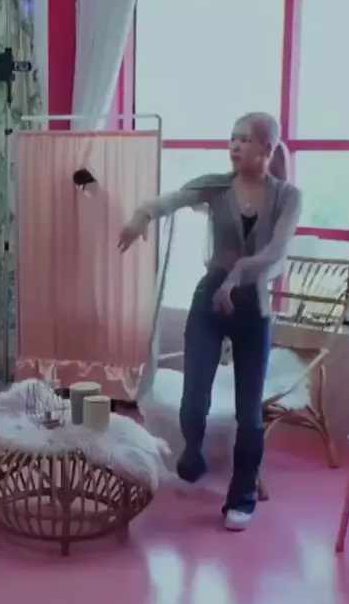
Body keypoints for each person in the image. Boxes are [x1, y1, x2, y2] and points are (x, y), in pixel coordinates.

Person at [118, 112, 302, 531]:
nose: (234, 146)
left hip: (253, 309)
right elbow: (170, 200)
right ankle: (193, 452)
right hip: (209, 301)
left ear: (266, 147)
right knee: (193, 401)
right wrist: (142, 215)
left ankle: (241, 498)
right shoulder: (217, 187)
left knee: (248, 415)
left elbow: (275, 252)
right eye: (232, 138)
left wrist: (238, 275)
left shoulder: (288, 197)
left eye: (244, 139)